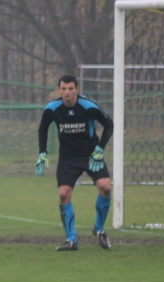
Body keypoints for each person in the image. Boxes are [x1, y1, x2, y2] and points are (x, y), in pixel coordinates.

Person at [36, 74, 114, 251]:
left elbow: (109, 125)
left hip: (91, 155)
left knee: (105, 187)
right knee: (64, 194)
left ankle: (99, 229)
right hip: (68, 157)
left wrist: (100, 149)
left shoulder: (88, 106)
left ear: (77, 89)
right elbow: (43, 128)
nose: (67, 92)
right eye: (64, 89)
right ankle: (71, 240)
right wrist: (42, 153)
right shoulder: (52, 108)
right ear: (59, 90)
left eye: (71, 88)